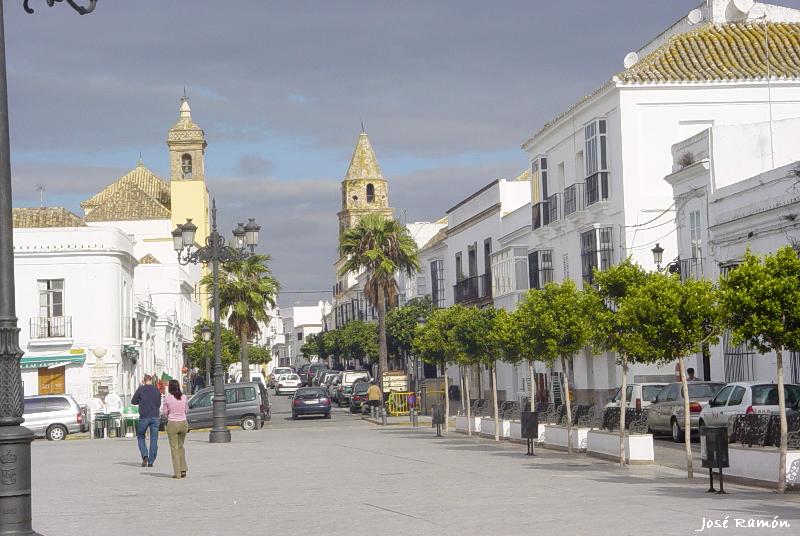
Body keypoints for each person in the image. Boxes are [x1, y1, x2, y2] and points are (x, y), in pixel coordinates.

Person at [131, 374, 161, 467]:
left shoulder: (140, 389)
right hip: (155, 416)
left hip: (144, 416)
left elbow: (133, 401)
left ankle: (144, 455)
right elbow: (159, 403)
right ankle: (151, 461)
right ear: (151, 380)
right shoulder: (156, 390)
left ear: (143, 381)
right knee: (154, 439)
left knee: (140, 436)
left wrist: (141, 401)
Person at [162, 379, 189, 479]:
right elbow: (186, 410)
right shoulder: (184, 397)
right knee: (181, 446)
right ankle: (183, 469)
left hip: (173, 423)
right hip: (183, 423)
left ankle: (177, 473)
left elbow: (165, 412)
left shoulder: (168, 399)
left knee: (174, 448)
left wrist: (170, 414)